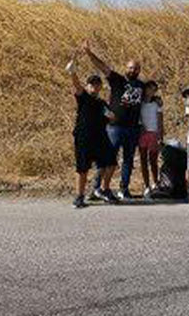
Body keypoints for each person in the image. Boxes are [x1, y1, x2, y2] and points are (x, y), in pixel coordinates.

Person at [83, 42, 145, 200]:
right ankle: (96, 189)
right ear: (126, 68)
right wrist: (89, 54)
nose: (133, 70)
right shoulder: (118, 80)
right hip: (115, 127)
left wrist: (157, 100)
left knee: (128, 160)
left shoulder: (141, 86)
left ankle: (123, 189)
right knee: (107, 158)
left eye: (136, 68)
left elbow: (149, 99)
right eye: (130, 67)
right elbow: (103, 67)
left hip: (132, 128)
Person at [67, 56, 117, 208]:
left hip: (101, 137)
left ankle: (105, 189)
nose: (95, 87)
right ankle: (79, 196)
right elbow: (77, 86)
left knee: (111, 163)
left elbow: (112, 118)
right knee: (82, 168)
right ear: (88, 86)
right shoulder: (84, 97)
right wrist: (72, 72)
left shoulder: (101, 103)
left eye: (97, 85)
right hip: (84, 138)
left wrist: (111, 117)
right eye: (92, 84)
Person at [139, 80, 163, 197]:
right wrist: (141, 125)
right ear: (145, 89)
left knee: (153, 160)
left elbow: (160, 120)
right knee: (143, 160)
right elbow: (137, 116)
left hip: (154, 133)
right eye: (149, 88)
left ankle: (155, 183)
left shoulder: (157, 104)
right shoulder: (140, 103)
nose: (151, 91)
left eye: (154, 89)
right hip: (143, 134)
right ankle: (146, 185)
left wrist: (160, 135)